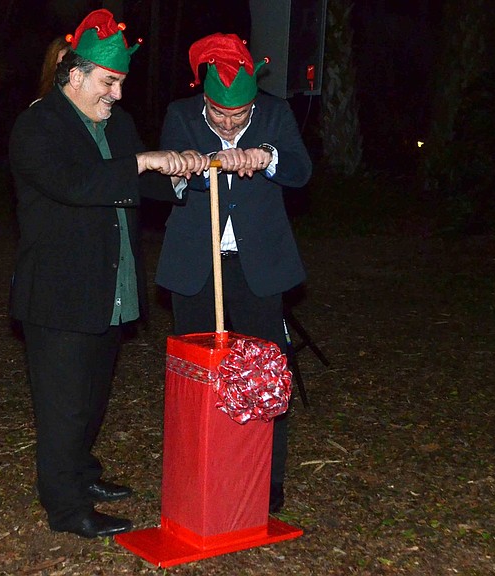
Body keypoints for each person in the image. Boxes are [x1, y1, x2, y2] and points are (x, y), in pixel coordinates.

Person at [8, 9, 208, 539]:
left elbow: (137, 181)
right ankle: (65, 506)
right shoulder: (37, 126)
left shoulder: (115, 124)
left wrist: (182, 173)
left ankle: (83, 474)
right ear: (74, 75)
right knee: (63, 405)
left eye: (120, 84)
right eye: (108, 82)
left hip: (110, 286)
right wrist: (143, 162)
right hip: (59, 291)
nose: (117, 96)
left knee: (94, 395)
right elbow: (77, 185)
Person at [155, 33, 313, 513]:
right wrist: (181, 170)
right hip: (197, 270)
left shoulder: (275, 114)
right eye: (219, 115)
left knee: (265, 374)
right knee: (202, 377)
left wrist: (268, 158)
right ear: (204, 100)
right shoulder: (180, 116)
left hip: (257, 271)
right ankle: (206, 473)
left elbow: (301, 172)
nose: (227, 123)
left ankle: (266, 480)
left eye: (237, 115)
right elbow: (167, 188)